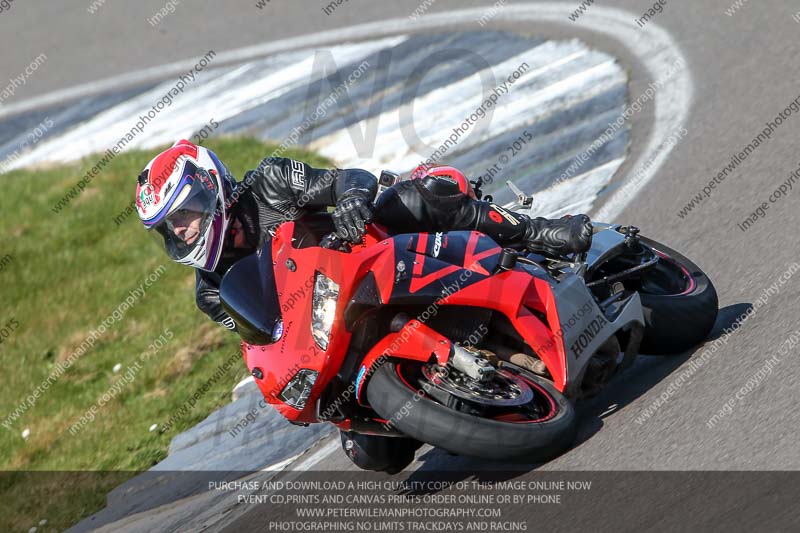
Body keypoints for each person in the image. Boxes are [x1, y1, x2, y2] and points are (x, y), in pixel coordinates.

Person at [135, 139, 592, 470]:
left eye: (184, 214)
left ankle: (535, 231)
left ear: (211, 189)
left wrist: (351, 200)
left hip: (367, 253)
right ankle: (449, 399)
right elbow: (265, 335)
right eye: (168, 227)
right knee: (376, 456)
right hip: (328, 320)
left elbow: (346, 180)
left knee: (409, 199)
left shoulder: (269, 182)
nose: (180, 231)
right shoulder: (209, 291)